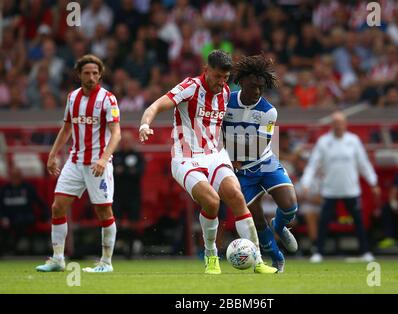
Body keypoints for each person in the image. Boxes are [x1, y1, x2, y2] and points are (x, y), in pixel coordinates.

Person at [139, 50, 277, 274]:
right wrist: (145, 124)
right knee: (212, 202)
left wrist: (236, 154)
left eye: (225, 77)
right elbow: (155, 106)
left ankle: (258, 260)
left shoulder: (224, 92)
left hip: (215, 155)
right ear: (206, 70)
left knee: (236, 196)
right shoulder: (190, 87)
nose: (221, 82)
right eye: (217, 77)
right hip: (186, 158)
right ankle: (211, 254)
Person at [36, 54, 122, 272]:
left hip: (98, 165)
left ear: (100, 75)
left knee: (104, 212)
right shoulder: (72, 98)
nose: (91, 77)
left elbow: (116, 134)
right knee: (58, 207)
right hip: (75, 162)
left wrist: (104, 159)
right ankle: (57, 259)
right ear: (79, 75)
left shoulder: (108, 99)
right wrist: (53, 154)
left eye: (95, 73)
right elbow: (66, 129)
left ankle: (106, 262)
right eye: (87, 73)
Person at [222, 54, 298, 272]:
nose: (256, 91)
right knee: (257, 220)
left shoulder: (268, 111)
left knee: (290, 205)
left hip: (264, 162)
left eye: (261, 88)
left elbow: (258, 146)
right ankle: (277, 258)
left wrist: (231, 152)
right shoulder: (226, 101)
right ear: (241, 80)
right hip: (241, 172)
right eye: (253, 86)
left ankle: (280, 225)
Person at [301, 111, 379, 263]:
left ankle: (365, 251)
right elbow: (313, 165)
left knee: (358, 222)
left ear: (345, 124)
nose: (338, 126)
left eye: (340, 123)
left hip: (351, 190)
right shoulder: (323, 142)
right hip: (330, 190)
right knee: (324, 222)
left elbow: (363, 164)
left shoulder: (354, 141)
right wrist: (305, 183)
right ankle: (318, 252)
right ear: (332, 125)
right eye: (335, 123)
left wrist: (373, 182)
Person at [0, 167, 49, 254]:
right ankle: (6, 249)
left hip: (25, 217)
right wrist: (2, 217)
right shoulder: (4, 189)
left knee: (22, 222)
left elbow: (40, 203)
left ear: (21, 177)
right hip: (9, 218)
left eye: (17, 176)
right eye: (13, 176)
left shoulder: (28, 188)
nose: (15, 179)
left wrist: (46, 217)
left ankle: (17, 248)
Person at [113, 130, 145, 258]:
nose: (125, 143)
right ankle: (117, 248)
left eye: (128, 141)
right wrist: (128, 172)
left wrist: (123, 171)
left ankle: (131, 250)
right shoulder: (115, 156)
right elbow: (113, 172)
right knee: (117, 222)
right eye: (123, 141)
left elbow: (139, 172)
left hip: (133, 196)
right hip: (118, 195)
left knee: (133, 223)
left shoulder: (137, 156)